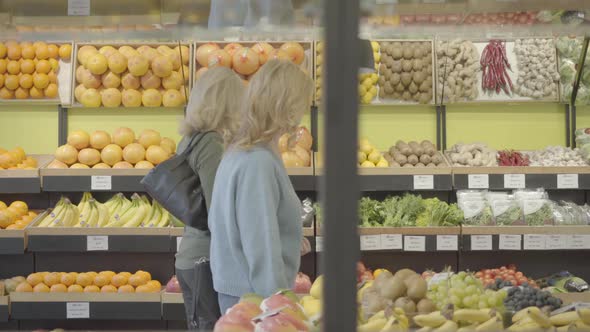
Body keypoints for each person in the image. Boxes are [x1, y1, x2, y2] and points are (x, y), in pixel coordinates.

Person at [209, 60, 314, 313]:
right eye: (302, 102)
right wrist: (279, 308)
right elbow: (261, 248)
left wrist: (289, 238)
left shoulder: (243, 150)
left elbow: (238, 223)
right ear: (287, 106)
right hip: (256, 300)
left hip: (242, 294)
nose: (305, 109)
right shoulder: (257, 161)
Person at [174, 67, 244, 330]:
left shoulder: (190, 139)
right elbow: (219, 209)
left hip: (192, 257)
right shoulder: (211, 143)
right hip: (206, 260)